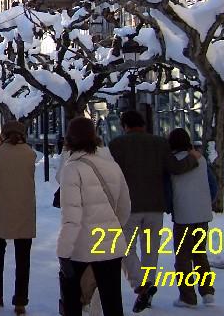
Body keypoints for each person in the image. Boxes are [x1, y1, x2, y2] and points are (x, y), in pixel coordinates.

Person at [108, 110, 199, 313]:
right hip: (155, 206)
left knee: (123, 246)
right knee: (150, 249)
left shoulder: (116, 145)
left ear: (125, 126)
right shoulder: (160, 143)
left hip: (128, 206)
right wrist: (193, 158)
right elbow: (175, 168)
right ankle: (147, 285)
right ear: (144, 124)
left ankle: (141, 284)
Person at [58, 117, 131, 316]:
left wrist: (63, 252)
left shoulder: (72, 169)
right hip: (111, 242)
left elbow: (72, 217)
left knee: (72, 297)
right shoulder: (112, 165)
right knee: (112, 300)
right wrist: (114, 228)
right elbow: (124, 206)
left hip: (81, 245)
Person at [0, 120, 36, 315]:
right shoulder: (30, 153)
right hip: (24, 209)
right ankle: (20, 300)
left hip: (0, 206)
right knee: (23, 258)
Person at [167, 128, 216, 308]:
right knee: (200, 253)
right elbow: (212, 184)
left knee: (183, 257)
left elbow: (168, 188)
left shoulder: (172, 162)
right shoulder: (200, 159)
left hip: (183, 215)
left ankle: (187, 296)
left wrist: (168, 206)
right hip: (202, 214)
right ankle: (208, 291)